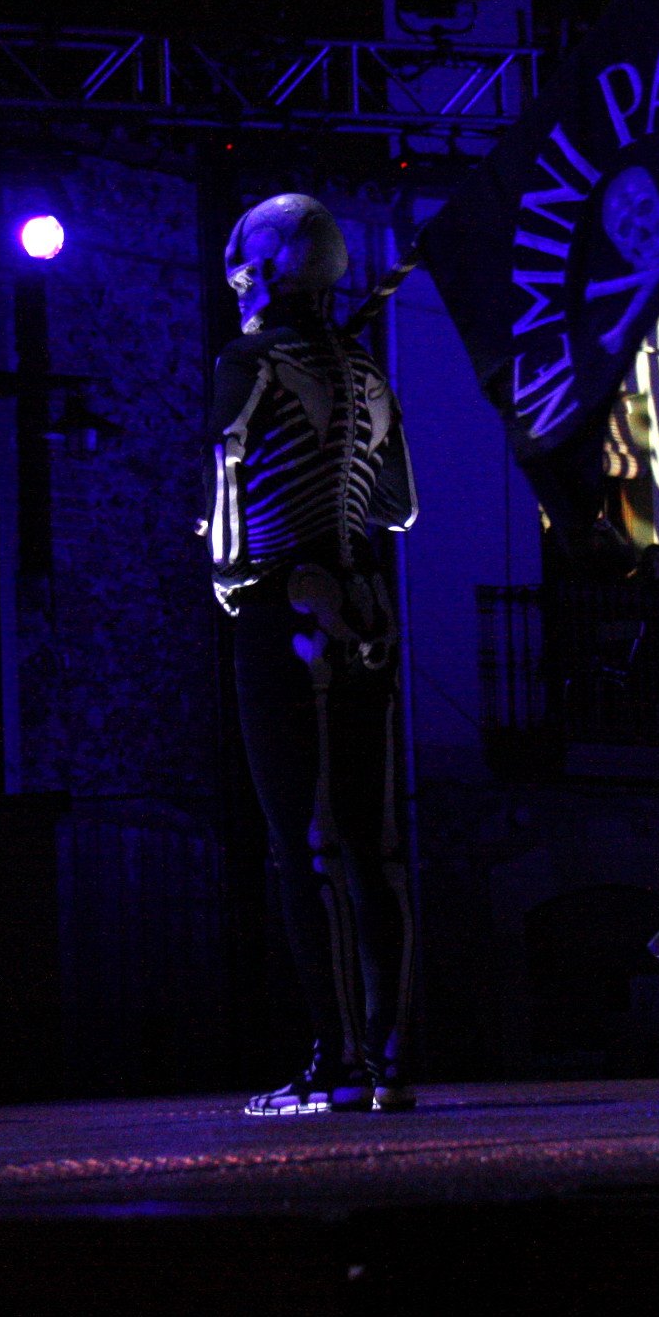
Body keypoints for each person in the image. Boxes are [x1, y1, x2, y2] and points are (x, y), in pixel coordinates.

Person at [205, 194, 420, 1115]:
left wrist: (226, 568)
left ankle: (337, 1062)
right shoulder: (370, 372)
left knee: (305, 842)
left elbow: (224, 472)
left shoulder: (248, 360)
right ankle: (384, 1061)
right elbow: (399, 503)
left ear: (265, 266)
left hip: (283, 601)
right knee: (366, 845)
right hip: (364, 603)